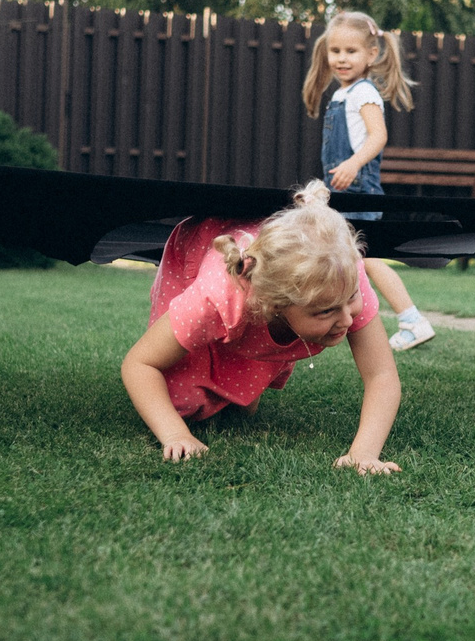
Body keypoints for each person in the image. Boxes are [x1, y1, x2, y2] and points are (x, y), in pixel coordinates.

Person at [121, 183, 401, 475]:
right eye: (326, 311)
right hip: (199, 247)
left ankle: (238, 389)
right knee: (182, 403)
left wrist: (364, 454)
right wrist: (175, 434)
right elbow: (140, 364)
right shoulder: (216, 298)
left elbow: (381, 375)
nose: (347, 319)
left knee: (241, 409)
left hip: (271, 285)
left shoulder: (342, 275)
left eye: (351, 300)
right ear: (275, 305)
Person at [301, 11, 437, 351]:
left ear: (371, 55)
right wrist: (323, 188)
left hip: (360, 190)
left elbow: (377, 136)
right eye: (336, 51)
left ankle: (411, 319)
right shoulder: (343, 95)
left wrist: (352, 164)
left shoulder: (364, 93)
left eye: (351, 51)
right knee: (345, 257)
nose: (342, 59)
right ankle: (343, 320)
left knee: (367, 258)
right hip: (345, 190)